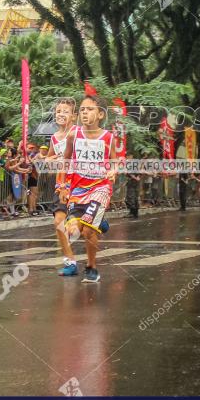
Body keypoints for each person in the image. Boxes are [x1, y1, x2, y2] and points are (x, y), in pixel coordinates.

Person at [57, 95, 118, 283]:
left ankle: (91, 267)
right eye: (82, 109)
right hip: (77, 189)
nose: (85, 112)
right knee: (73, 229)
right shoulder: (74, 135)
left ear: (100, 114)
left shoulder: (108, 137)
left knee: (88, 231)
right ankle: (101, 223)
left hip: (100, 188)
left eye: (89, 109)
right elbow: (65, 161)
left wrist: (113, 171)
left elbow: (114, 160)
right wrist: (63, 186)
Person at [45, 98, 79, 275]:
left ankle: (98, 220)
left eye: (65, 111)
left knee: (81, 227)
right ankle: (70, 262)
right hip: (61, 184)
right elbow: (48, 163)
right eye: (58, 111)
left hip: (81, 183)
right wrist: (49, 160)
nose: (61, 114)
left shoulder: (79, 133)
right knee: (58, 222)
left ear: (73, 116)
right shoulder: (54, 137)